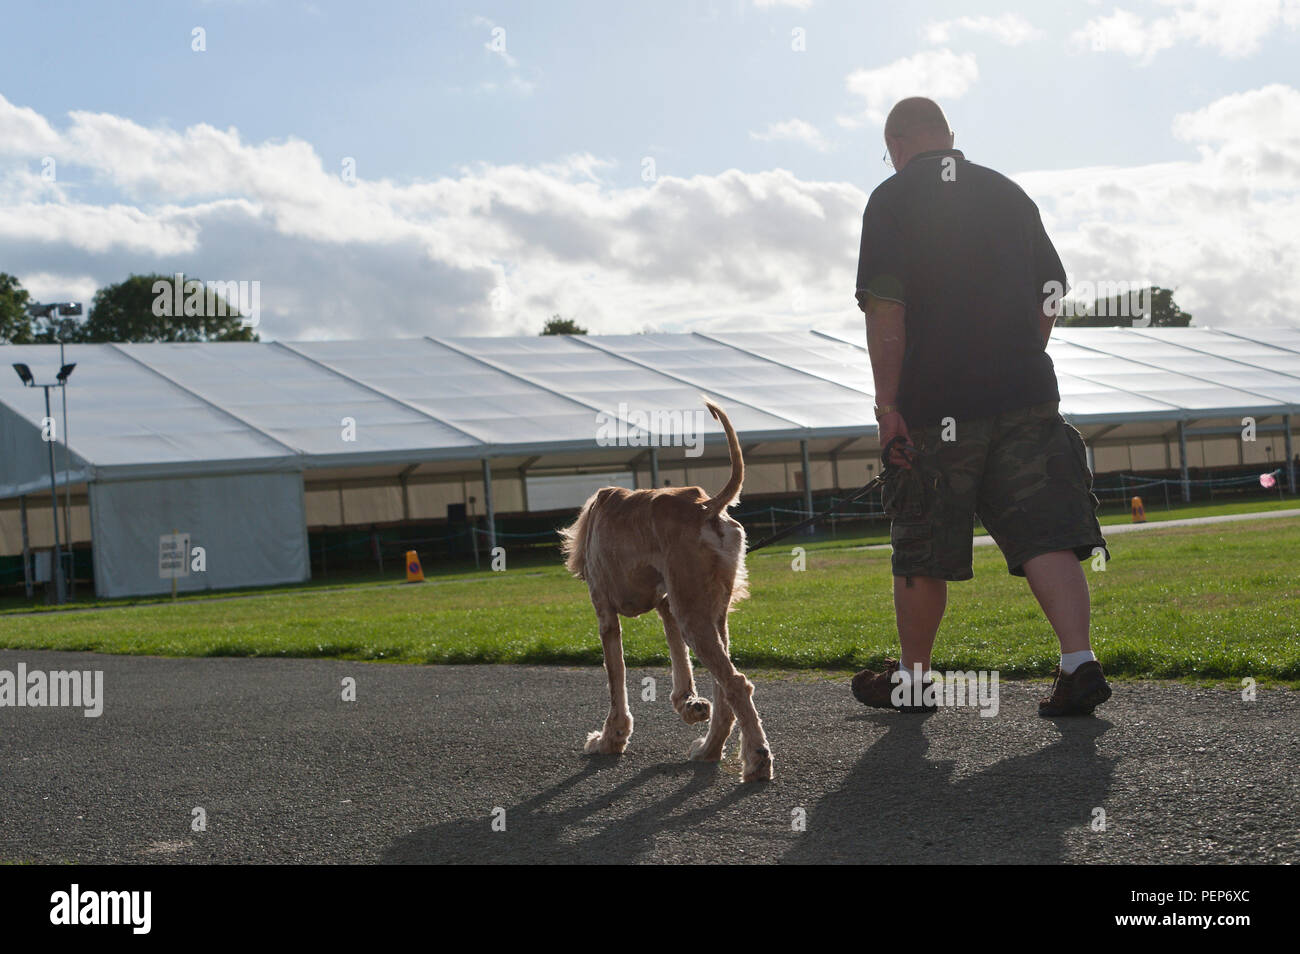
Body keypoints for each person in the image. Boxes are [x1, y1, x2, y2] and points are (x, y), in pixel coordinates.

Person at [850, 97, 1111, 717]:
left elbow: (887, 308)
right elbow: (1051, 292)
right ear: (948, 136)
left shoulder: (891, 200)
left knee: (922, 538)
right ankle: (1079, 663)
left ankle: (913, 680)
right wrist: (1021, 352)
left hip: (936, 405)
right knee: (1045, 530)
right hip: (1026, 395)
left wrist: (888, 409)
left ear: (895, 145)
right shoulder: (1007, 192)